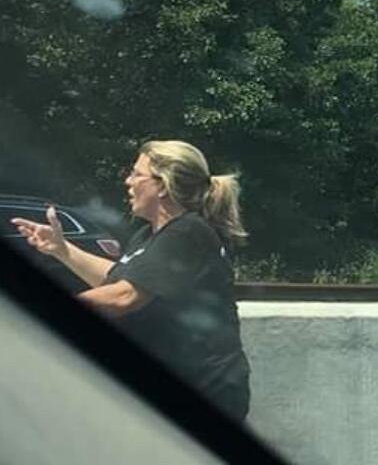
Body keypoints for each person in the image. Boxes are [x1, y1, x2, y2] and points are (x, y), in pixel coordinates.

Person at [12, 140, 252, 421]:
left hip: (206, 388)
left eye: (136, 174)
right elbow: (116, 280)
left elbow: (124, 297)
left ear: (162, 185)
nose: (127, 181)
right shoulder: (151, 235)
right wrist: (62, 249)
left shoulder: (188, 232)